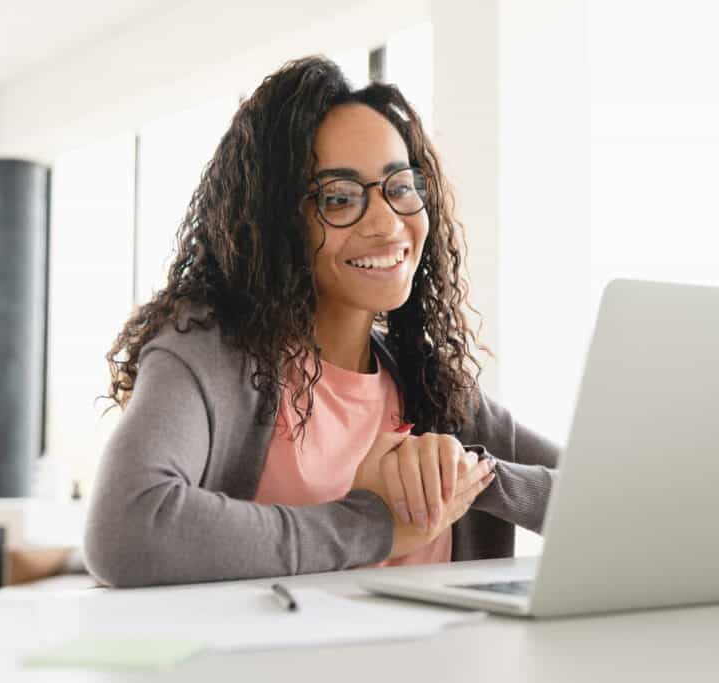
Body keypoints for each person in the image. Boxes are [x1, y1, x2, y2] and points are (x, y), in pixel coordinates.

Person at [83, 56, 559, 588]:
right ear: (276, 222)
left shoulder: (432, 384)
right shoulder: (208, 355)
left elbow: (626, 494)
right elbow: (126, 530)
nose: (386, 222)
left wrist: (468, 475)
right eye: (339, 198)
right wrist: (372, 523)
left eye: (400, 186)